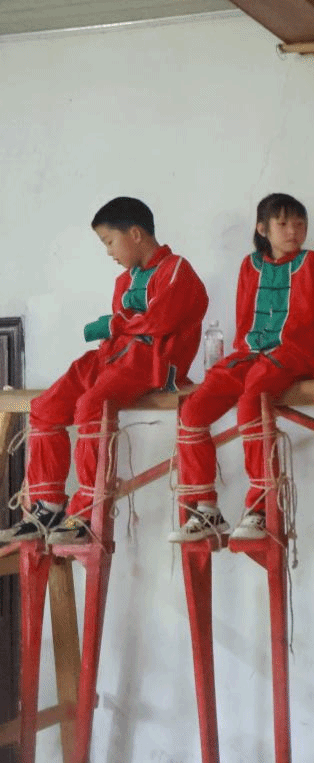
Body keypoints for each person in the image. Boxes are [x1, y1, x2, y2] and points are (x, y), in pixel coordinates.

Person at [0, 197, 208, 544]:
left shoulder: (176, 270)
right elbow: (122, 331)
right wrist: (115, 328)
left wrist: (114, 323)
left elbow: (160, 321)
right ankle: (47, 506)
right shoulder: (124, 281)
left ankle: (85, 513)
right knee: (46, 406)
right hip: (113, 357)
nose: (109, 252)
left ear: (135, 234)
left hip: (153, 364)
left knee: (90, 406)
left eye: (110, 241)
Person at [169, 193, 314, 543]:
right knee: (193, 410)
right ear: (262, 229)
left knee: (252, 400)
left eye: (300, 223)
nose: (293, 231)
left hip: (293, 354)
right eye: (283, 223)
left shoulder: (313, 263)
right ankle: (204, 508)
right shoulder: (248, 265)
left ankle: (262, 507)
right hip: (251, 352)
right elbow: (244, 320)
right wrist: (238, 358)